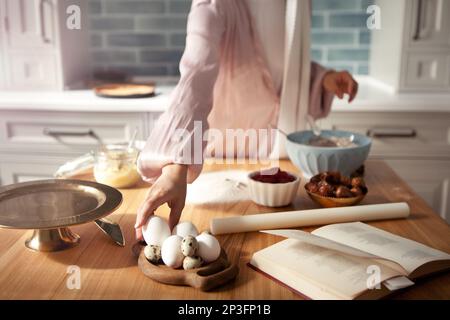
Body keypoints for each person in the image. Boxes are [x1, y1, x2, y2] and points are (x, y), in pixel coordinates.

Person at [135, 0, 358, 239]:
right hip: (219, 163)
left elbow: (279, 65)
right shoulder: (214, 4)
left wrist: (322, 78)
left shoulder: (298, 5)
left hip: (278, 159)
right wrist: (175, 166)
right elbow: (197, 73)